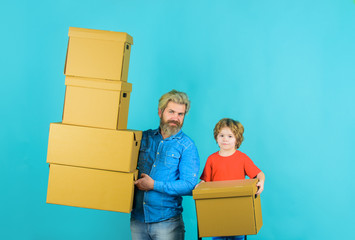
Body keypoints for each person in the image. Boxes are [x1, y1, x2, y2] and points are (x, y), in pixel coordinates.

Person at [130, 90, 200, 240]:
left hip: (167, 223)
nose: (175, 118)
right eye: (171, 112)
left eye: (180, 114)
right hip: (138, 220)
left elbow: (189, 185)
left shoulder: (187, 146)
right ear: (160, 112)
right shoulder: (143, 138)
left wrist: (154, 185)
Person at [199, 118, 265, 240]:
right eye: (222, 135)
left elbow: (259, 174)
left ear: (237, 139)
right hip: (217, 211)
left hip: (238, 210)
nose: (225, 139)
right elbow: (205, 182)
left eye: (230, 136)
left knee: (238, 236)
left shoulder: (242, 158)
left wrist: (261, 182)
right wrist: (199, 187)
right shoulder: (211, 159)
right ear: (216, 138)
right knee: (218, 236)